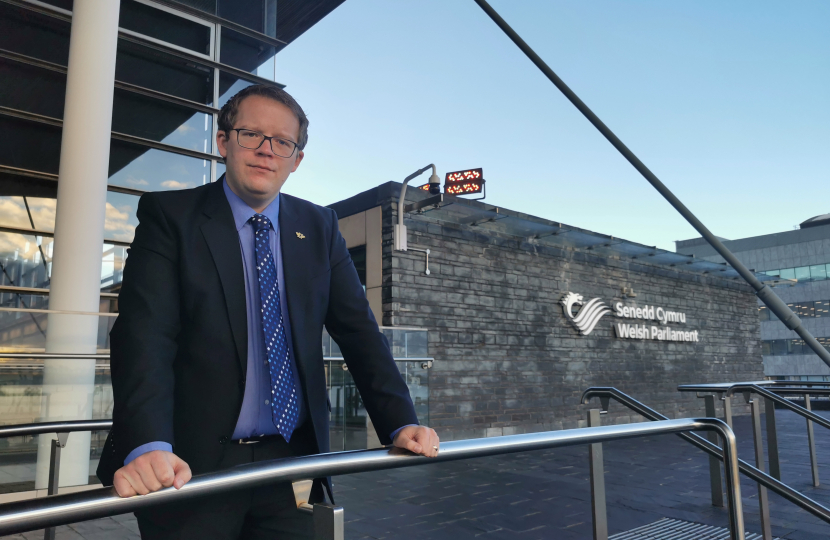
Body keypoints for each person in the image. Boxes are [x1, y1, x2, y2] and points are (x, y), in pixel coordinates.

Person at [97, 84, 440, 539]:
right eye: (251, 135)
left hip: (290, 464)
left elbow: (358, 331)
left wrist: (400, 420)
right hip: (187, 465)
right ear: (224, 141)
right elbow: (145, 336)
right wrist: (148, 445)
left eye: (283, 142)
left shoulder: (318, 227)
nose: (266, 151)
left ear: (296, 159)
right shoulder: (170, 217)